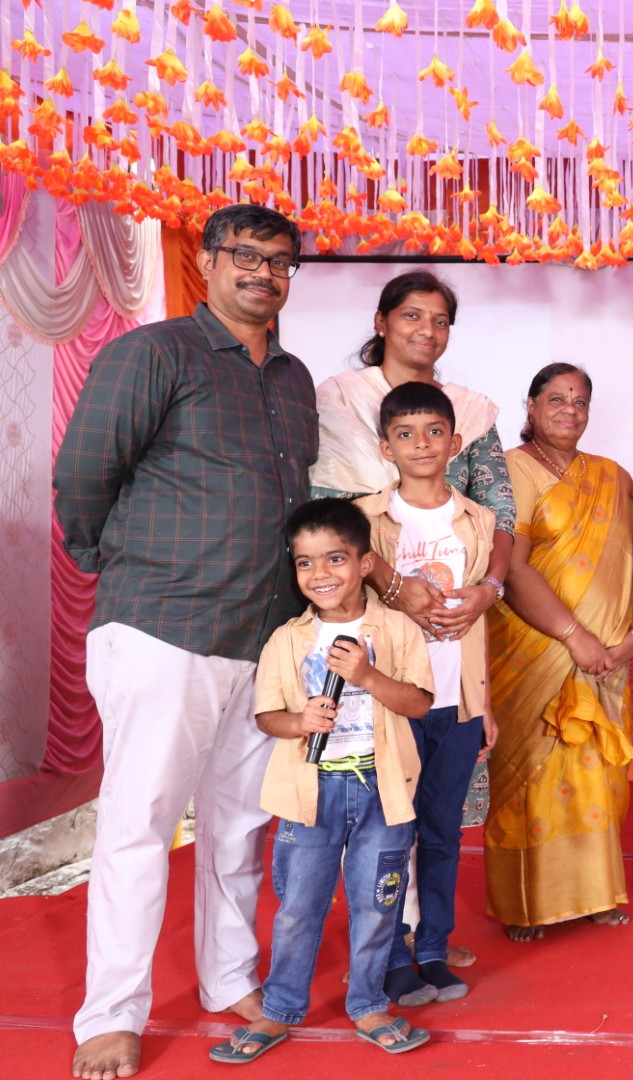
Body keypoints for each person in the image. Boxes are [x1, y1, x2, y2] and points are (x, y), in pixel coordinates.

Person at [55, 204, 317, 1080]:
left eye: (279, 261)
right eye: (246, 255)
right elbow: (84, 473)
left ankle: (228, 978)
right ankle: (112, 1014)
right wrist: (122, 565)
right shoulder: (154, 353)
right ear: (208, 261)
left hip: (264, 633)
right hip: (165, 624)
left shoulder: (292, 378)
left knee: (242, 825)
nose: (263, 273)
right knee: (140, 824)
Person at [309, 269, 514, 971]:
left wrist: (489, 589)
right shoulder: (338, 402)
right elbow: (326, 523)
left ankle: (428, 939)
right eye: (412, 316)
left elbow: (500, 517)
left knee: (437, 816)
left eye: (440, 320)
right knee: (379, 811)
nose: (427, 331)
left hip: (455, 661)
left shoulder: (470, 415)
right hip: (371, 635)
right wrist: (393, 585)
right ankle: (383, 947)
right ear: (382, 321)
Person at [209, 498, 433, 1062]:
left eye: (335, 558)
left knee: (377, 905)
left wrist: (367, 675)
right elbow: (267, 716)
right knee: (297, 909)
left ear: (364, 563)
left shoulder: (398, 629)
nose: (320, 573)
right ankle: (280, 1007)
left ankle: (369, 1003)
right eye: (304, 562)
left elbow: (419, 703)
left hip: (381, 789)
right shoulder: (287, 639)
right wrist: (300, 721)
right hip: (310, 791)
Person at [484, 363, 633, 941]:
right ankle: (527, 902)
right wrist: (574, 636)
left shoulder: (613, 478)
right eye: (556, 399)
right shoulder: (509, 470)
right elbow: (512, 568)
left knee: (596, 773)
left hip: (606, 661)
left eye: (580, 401)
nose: (569, 410)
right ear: (530, 406)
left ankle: (596, 891)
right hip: (532, 652)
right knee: (533, 773)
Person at [353, 383, 497, 1006]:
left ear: (455, 443)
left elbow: (480, 623)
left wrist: (484, 704)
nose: (421, 445)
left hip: (456, 703)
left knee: (442, 831)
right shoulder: (364, 520)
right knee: (387, 832)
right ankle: (388, 956)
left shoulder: (478, 520)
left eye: (434, 432)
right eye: (405, 435)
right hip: (392, 701)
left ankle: (433, 949)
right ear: (385, 448)